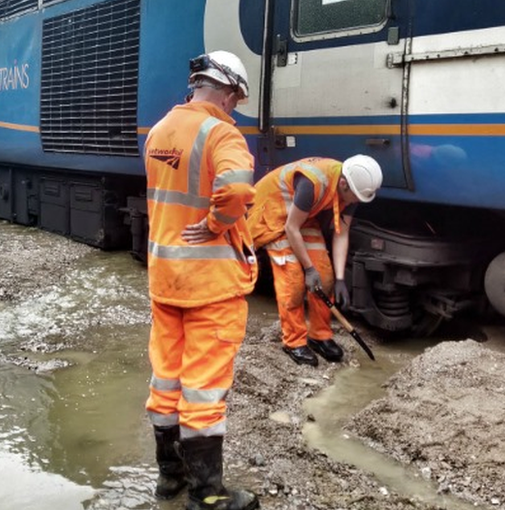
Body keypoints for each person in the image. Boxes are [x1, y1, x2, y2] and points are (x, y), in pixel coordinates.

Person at [143, 50, 260, 510]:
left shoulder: (158, 131)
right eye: (235, 99)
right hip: (210, 284)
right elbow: (237, 189)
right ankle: (208, 495)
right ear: (228, 92)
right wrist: (215, 224)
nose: (234, 107)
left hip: (165, 277)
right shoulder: (221, 132)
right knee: (204, 389)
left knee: (167, 380)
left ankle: (168, 480)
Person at [248, 155, 383, 366]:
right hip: (273, 215)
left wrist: (339, 279)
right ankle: (293, 342)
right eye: (354, 196)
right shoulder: (313, 183)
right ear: (343, 183)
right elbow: (290, 228)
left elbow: (341, 234)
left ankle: (319, 336)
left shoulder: (354, 190)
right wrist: (308, 270)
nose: (356, 201)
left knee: (325, 277)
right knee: (293, 280)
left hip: (300, 216)